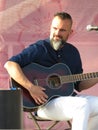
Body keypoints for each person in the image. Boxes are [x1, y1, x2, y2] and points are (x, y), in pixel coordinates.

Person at [4, 12, 98, 130]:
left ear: (71, 32)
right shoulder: (39, 48)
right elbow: (10, 64)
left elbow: (79, 85)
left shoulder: (73, 52)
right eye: (55, 28)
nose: (57, 33)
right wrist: (31, 88)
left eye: (62, 30)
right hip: (44, 104)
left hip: (69, 98)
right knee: (82, 105)